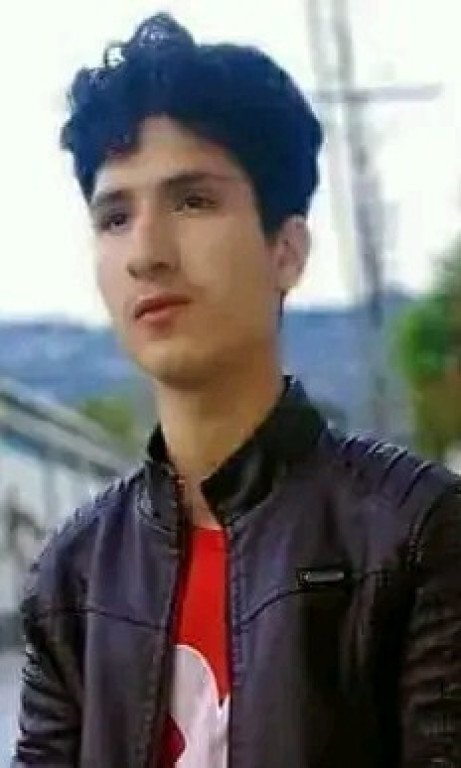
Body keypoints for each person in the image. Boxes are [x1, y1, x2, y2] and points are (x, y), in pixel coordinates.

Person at [13, 13, 461, 768]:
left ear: (286, 250)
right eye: (115, 216)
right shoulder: (74, 574)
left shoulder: (416, 532)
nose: (147, 253)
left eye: (193, 201)